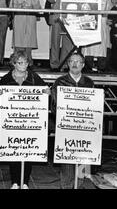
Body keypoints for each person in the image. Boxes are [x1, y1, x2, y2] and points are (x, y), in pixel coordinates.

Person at [0, 51, 48, 189]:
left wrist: (46, 92)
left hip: (30, 122)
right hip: (12, 123)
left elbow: (44, 95)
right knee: (13, 151)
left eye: (25, 62)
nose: (24, 65)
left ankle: (24, 182)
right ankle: (15, 181)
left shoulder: (35, 78)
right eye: (20, 62)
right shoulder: (5, 80)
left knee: (28, 151)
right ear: (13, 64)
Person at [51, 52, 94, 189]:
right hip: (66, 126)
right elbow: (54, 105)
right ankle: (66, 186)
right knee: (67, 159)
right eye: (72, 61)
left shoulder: (89, 83)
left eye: (78, 61)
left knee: (82, 157)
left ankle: (79, 185)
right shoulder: (60, 82)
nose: (75, 64)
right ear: (68, 64)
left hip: (84, 127)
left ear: (83, 64)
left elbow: (93, 106)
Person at [45, 0, 78, 71]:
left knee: (68, 43)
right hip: (57, 17)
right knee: (55, 41)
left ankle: (64, 64)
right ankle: (54, 65)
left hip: (70, 18)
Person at [11, 0, 41, 66]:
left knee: (29, 44)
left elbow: (38, 7)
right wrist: (20, 5)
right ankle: (16, 63)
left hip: (30, 21)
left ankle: (29, 64)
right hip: (19, 20)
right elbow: (11, 7)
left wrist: (33, 4)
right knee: (19, 43)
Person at [82, 0, 111, 72]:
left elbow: (107, 9)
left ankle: (99, 68)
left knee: (99, 48)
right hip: (89, 23)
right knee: (89, 48)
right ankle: (91, 67)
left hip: (100, 24)